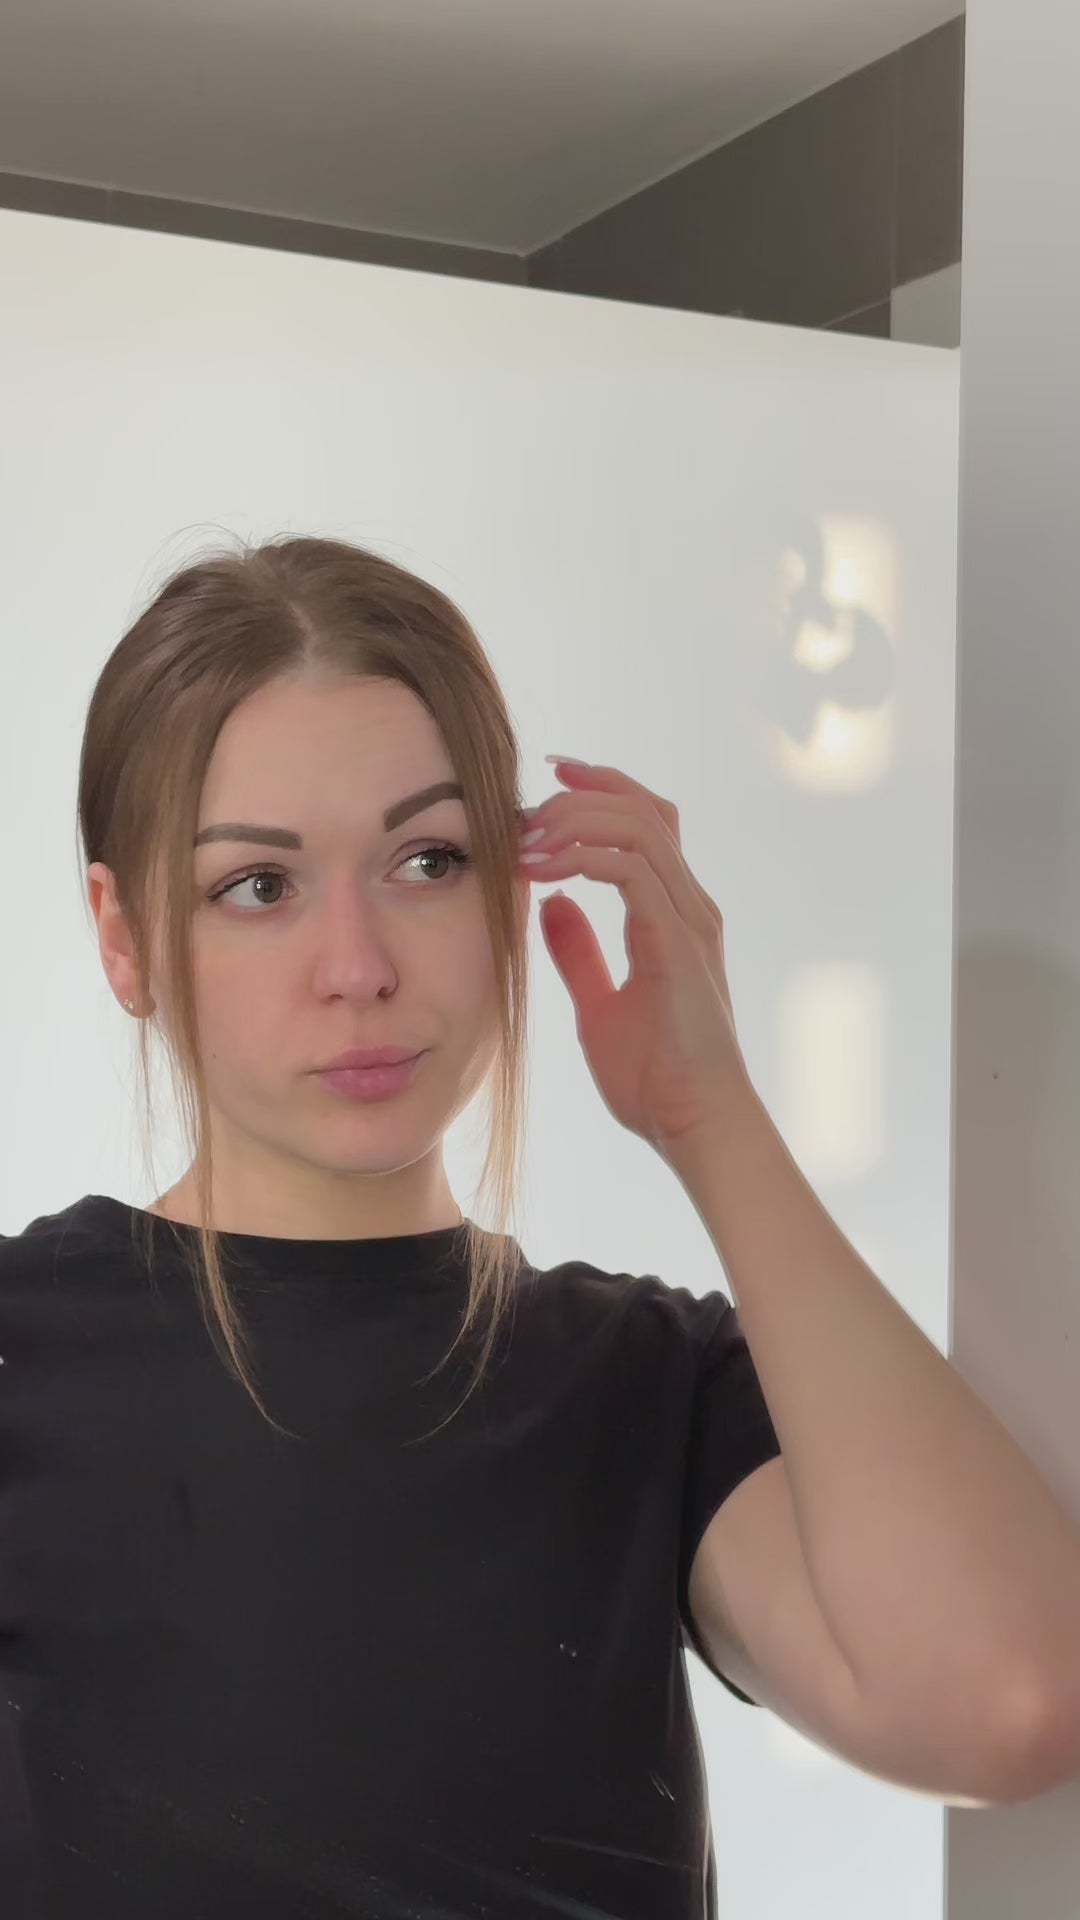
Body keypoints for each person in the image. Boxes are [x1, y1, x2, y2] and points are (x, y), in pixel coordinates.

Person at [4, 534, 1080, 1920]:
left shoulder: (647, 1382)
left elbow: (1007, 1703)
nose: (359, 968)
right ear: (123, 936)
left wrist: (707, 1114)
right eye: (258, 886)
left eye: (428, 860)